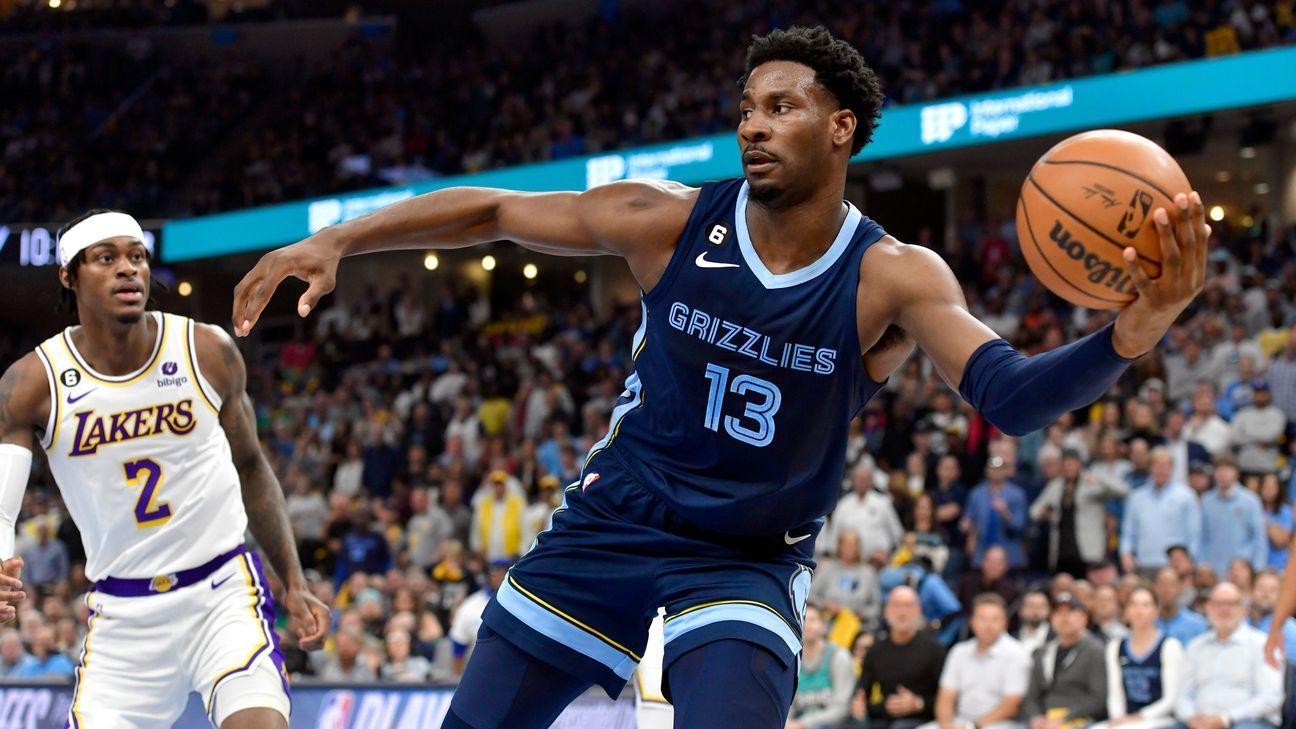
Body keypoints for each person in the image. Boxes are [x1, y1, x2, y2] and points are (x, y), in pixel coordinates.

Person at [228, 25, 1209, 728]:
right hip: (610, 526)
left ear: (840, 129)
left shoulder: (892, 277)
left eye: (782, 106)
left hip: (745, 560)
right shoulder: (668, 221)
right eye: (746, 107)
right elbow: (491, 209)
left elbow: (1010, 397)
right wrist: (342, 238)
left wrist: (1142, 323)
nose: (753, 124)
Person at [0, 210, 330, 727]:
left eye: (136, 257)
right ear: (69, 275)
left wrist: (293, 578)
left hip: (222, 594)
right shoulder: (33, 382)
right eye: (106, 259)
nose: (127, 270)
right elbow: (3, 510)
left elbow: (251, 466)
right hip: (122, 614)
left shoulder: (207, 350)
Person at [1176, 583, 1283, 729]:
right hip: (1199, 722)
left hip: (1247, 722)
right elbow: (1182, 695)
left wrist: (1226, 719)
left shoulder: (1262, 645)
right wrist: (1191, 717)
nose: (1224, 609)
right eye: (1218, 604)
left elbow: (1271, 698)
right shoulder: (1195, 646)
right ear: (1208, 608)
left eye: (1231, 604)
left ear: (1245, 609)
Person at [920, 594, 1031, 729]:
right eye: (983, 619)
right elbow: (946, 696)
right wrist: (946, 725)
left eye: (995, 619)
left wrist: (973, 726)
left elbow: (1012, 705)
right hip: (961, 720)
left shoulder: (1017, 653)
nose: (988, 625)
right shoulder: (959, 651)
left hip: (1000, 724)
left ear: (1005, 623)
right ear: (972, 622)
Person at [854, 586, 947, 729]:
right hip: (884, 718)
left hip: (922, 719)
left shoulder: (935, 649)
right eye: (896, 605)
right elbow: (862, 692)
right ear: (886, 610)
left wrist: (918, 703)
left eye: (908, 605)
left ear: (918, 610)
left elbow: (946, 700)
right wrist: (858, 704)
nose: (902, 611)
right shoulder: (876, 650)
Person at [1029, 449, 1129, 577]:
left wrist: (1100, 479)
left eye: (1072, 464)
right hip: (1062, 551)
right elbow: (1034, 511)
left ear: (1079, 464)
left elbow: (1123, 491)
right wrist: (1044, 512)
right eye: (1066, 464)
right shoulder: (1056, 485)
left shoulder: (1090, 482)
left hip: (1088, 550)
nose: (1069, 468)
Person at [1096, 586, 1183, 729]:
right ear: (1126, 610)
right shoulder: (1115, 647)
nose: (1139, 610)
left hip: (1161, 719)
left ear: (1156, 611)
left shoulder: (1169, 646)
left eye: (1145, 604)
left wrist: (1140, 717)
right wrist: (1118, 717)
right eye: (1133, 604)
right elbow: (1115, 693)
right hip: (1126, 719)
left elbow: (1171, 700)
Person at [1021, 592, 1108, 729]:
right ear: (1051, 619)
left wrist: (1065, 718)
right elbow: (1031, 696)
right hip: (1045, 720)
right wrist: (1035, 717)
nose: (1064, 617)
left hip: (1081, 719)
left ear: (1084, 618)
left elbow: (1098, 698)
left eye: (1070, 611)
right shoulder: (1042, 652)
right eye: (1058, 612)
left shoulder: (1096, 650)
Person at [1120, 448, 1202, 577]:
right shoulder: (1136, 497)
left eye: (1165, 466)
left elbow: (1194, 533)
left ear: (1172, 469)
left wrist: (1191, 559)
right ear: (1150, 468)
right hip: (1144, 563)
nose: (1161, 470)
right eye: (1157, 466)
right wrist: (1126, 553)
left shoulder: (1186, 496)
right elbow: (1128, 532)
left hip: (1174, 566)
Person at [789, 603, 855, 729]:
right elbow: (788, 707)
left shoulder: (839, 657)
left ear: (823, 626)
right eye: (804, 620)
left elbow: (841, 708)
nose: (807, 625)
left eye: (812, 620)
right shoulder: (792, 661)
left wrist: (804, 724)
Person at [1198, 455, 1267, 575]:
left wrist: (1258, 567)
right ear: (1214, 474)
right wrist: (1201, 564)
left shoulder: (1251, 501)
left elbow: (1259, 537)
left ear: (1236, 473)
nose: (1223, 475)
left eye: (1228, 470)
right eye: (1220, 470)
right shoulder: (1206, 501)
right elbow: (1201, 536)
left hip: (1242, 570)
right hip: (1213, 570)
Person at [1153, 567, 1208, 646]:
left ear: (1179, 588)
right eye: (1162, 584)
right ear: (1155, 588)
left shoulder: (1197, 624)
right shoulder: (1147, 624)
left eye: (1171, 585)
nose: (1166, 590)